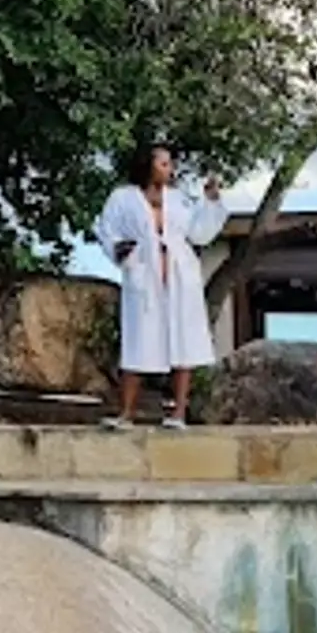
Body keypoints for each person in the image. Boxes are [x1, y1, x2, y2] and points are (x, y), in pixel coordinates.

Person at [98, 145, 228, 428]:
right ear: (148, 165)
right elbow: (107, 229)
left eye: (170, 164)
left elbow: (200, 233)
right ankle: (126, 414)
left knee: (183, 342)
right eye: (164, 164)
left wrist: (211, 203)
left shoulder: (179, 199)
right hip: (145, 276)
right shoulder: (123, 198)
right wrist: (124, 253)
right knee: (138, 342)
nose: (170, 169)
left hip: (181, 277)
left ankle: (178, 413)